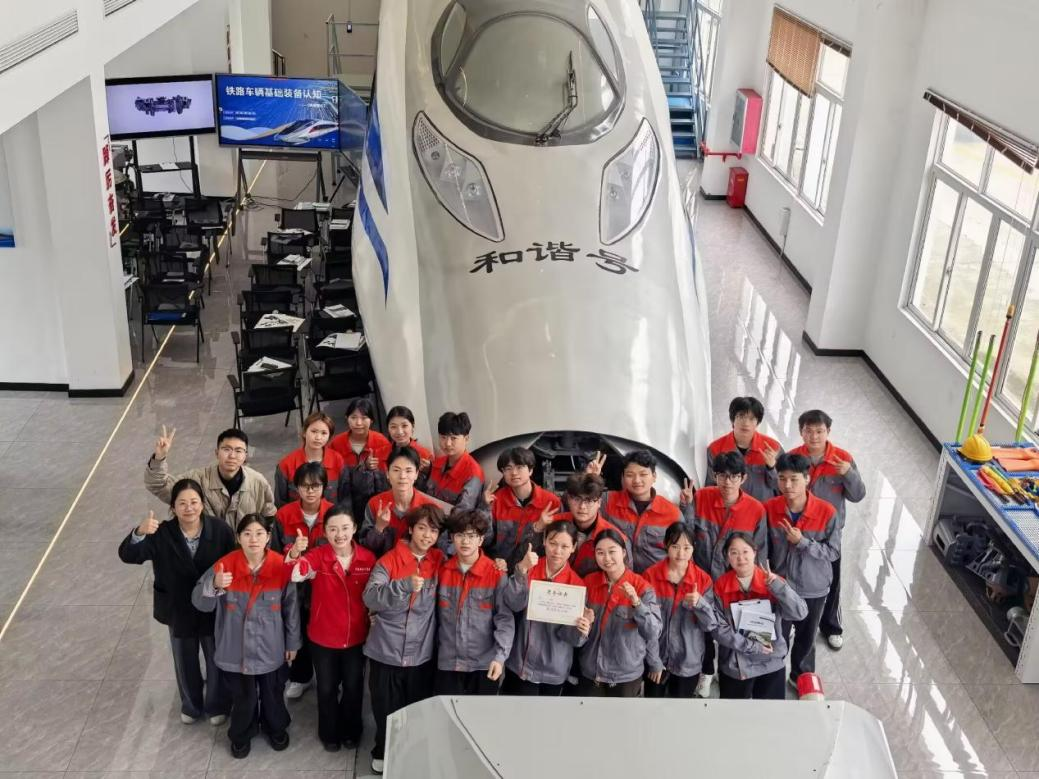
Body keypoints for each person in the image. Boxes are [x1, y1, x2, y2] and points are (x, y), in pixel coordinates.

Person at [118, 478, 236, 725]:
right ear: (173, 507)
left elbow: (234, 564)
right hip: (177, 607)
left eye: (194, 502)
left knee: (215, 657)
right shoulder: (160, 533)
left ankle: (217, 705)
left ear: (202, 504)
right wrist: (139, 532)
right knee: (184, 660)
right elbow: (129, 555)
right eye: (182, 503)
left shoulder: (220, 530)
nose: (189, 508)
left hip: (211, 605)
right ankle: (191, 705)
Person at [192, 514, 300, 759]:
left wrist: (292, 643)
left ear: (268, 537)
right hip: (235, 649)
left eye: (259, 533)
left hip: (270, 646)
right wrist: (214, 585)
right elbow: (199, 602)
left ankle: (276, 728)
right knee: (243, 697)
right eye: (247, 534)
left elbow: (291, 608)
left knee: (273, 693)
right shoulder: (224, 565)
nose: (254, 539)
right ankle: (241, 733)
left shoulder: (281, 566)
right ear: (238, 537)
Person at [362, 504, 446, 775]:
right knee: (385, 708)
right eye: (422, 528)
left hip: (421, 654)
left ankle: (411, 753)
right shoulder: (389, 560)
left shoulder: (439, 560)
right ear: (410, 529)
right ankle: (383, 749)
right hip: (385, 651)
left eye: (433, 530)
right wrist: (403, 585)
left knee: (417, 710)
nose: (427, 535)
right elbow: (370, 597)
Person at [681, 451, 767, 698]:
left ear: (743, 478)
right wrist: (687, 507)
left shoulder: (756, 509)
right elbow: (687, 536)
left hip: (735, 584)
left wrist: (755, 587)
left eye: (733, 476)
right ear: (714, 475)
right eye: (721, 476)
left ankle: (731, 670)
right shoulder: (701, 498)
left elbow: (759, 551)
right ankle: (707, 671)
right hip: (703, 580)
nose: (727, 482)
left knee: (732, 629)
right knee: (703, 627)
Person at [289, 504, 375, 752]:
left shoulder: (367, 558)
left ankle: (351, 731)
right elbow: (296, 574)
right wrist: (296, 553)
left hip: (356, 637)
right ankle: (329, 733)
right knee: (326, 689)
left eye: (345, 528)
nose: (340, 534)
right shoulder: (318, 556)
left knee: (353, 687)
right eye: (333, 529)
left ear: (355, 528)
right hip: (323, 638)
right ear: (325, 532)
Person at [788, 409, 866, 651]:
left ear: (828, 432)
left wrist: (848, 474)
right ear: (801, 432)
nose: (814, 437)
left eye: (819, 431)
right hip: (798, 529)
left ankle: (832, 626)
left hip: (828, 533)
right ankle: (794, 619)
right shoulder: (792, 458)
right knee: (793, 576)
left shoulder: (842, 459)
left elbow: (858, 495)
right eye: (808, 431)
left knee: (831, 580)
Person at [764, 453, 840, 690]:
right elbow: (763, 547)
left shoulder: (827, 512)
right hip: (781, 586)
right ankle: (773, 677)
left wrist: (803, 543)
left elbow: (833, 552)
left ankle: (801, 678)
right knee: (777, 635)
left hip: (813, 587)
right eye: (782, 479)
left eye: (794, 479)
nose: (787, 485)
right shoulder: (770, 509)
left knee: (806, 638)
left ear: (807, 479)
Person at [711, 532, 807, 700]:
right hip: (736, 665)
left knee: (770, 713)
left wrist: (777, 587)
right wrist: (752, 646)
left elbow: (800, 613)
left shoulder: (772, 581)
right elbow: (718, 629)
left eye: (745, 551)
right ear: (727, 557)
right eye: (734, 553)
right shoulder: (720, 586)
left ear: (755, 552)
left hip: (771, 661)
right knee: (733, 713)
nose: (741, 558)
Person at [501, 521, 593, 696]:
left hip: (554, 670)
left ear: (573, 548)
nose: (557, 551)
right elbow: (513, 604)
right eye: (553, 543)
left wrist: (581, 629)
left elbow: (572, 639)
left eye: (565, 546)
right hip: (520, 664)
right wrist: (522, 569)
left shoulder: (576, 585)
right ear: (544, 541)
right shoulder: (530, 568)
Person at [434, 510, 515, 695]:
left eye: (471, 536)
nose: (465, 541)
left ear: (481, 540)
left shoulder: (496, 574)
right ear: (452, 538)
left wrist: (500, 657)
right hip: (448, 663)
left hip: (484, 665)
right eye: (460, 535)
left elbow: (504, 620)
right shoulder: (442, 571)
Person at [273, 462, 334, 700]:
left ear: (324, 487)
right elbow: (274, 554)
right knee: (296, 630)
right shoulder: (283, 515)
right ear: (296, 488)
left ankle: (330, 678)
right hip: (294, 589)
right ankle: (300, 677)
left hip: (325, 588)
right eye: (305, 486)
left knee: (325, 633)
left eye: (315, 486)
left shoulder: (334, 514)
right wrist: (294, 553)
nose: (310, 491)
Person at [577, 529, 663, 697]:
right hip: (590, 672)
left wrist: (637, 603)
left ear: (623, 552)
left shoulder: (642, 587)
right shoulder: (588, 583)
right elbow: (575, 634)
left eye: (612, 551)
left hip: (625, 676)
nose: (606, 558)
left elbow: (653, 632)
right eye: (600, 552)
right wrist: (582, 626)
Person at [642, 523, 717, 698]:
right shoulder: (650, 575)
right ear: (666, 545)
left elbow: (710, 625)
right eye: (675, 546)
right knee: (652, 706)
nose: (681, 553)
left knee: (681, 707)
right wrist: (654, 661)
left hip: (688, 661)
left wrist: (700, 604)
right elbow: (645, 624)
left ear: (693, 548)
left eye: (686, 548)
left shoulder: (703, 580)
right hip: (656, 657)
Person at [145, 426, 276, 527]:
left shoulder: (258, 482)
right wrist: (159, 458)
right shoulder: (196, 479)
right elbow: (159, 486)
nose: (232, 455)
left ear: (245, 456)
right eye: (226, 449)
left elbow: (269, 517)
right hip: (209, 551)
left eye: (238, 451)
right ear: (216, 452)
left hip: (244, 552)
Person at [515, 473, 631, 577]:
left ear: (599, 503)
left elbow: (624, 576)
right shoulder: (552, 523)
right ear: (568, 499)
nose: (582, 507)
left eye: (589, 501)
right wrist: (537, 529)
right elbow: (521, 556)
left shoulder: (615, 538)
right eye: (576, 499)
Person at [587, 449, 681, 574]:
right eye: (630, 475)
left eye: (643, 474)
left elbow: (683, 553)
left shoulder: (672, 513)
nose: (636, 480)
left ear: (654, 477)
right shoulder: (608, 501)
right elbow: (578, 507)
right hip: (617, 578)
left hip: (656, 580)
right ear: (623, 477)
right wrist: (588, 481)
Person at [358, 446, 442, 557]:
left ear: (416, 474)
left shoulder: (431, 508)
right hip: (382, 564)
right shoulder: (375, 503)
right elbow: (365, 547)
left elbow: (436, 550)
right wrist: (379, 528)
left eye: (408, 471)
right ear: (387, 473)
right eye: (396, 470)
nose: (402, 476)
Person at [486, 446, 561, 569]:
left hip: (535, 569)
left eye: (519, 467)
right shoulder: (496, 500)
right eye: (508, 468)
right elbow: (486, 541)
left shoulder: (551, 502)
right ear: (503, 472)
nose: (514, 473)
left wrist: (539, 528)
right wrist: (484, 507)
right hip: (500, 567)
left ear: (530, 470)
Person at [706, 397, 783, 502]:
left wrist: (772, 467)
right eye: (741, 416)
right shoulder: (715, 449)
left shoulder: (773, 447)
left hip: (764, 509)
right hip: (728, 510)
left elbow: (785, 488)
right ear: (732, 420)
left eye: (752, 418)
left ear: (757, 422)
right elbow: (710, 489)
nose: (746, 423)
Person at [329, 398, 393, 521]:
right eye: (353, 417)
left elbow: (387, 477)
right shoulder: (337, 443)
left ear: (371, 420)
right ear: (346, 418)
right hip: (345, 498)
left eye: (364, 418)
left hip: (373, 499)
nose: (358, 423)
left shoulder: (381, 442)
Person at [274, 411, 348, 507]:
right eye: (314, 431)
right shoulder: (286, 465)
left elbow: (345, 498)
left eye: (324, 433)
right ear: (304, 432)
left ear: (329, 437)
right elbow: (280, 503)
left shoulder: (337, 460)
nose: (318, 437)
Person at [421, 411, 485, 510]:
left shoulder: (473, 474)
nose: (448, 443)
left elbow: (462, 513)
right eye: (443, 437)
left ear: (466, 439)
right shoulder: (436, 464)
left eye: (453, 438)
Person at [385, 405, 433, 471]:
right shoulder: (379, 454)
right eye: (393, 427)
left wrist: (429, 470)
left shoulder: (425, 455)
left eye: (404, 426)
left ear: (412, 427)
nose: (399, 432)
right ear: (388, 429)